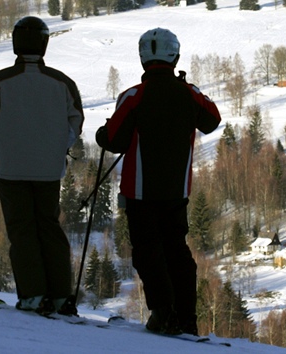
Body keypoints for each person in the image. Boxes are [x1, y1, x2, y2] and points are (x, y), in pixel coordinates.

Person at [96, 28, 221, 336]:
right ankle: (186, 319)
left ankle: (163, 313)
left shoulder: (134, 96)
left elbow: (112, 139)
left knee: (147, 251)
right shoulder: (188, 93)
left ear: (143, 59)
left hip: (139, 191)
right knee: (177, 251)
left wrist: (102, 133)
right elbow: (212, 119)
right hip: (176, 190)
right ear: (174, 56)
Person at [0, 16, 84, 316]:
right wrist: (59, 145)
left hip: (9, 167)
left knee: (22, 230)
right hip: (48, 169)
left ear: (15, 43)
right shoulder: (62, 82)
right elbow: (76, 121)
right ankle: (61, 297)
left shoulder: (1, 80)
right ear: (44, 44)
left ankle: (34, 296)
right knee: (49, 227)